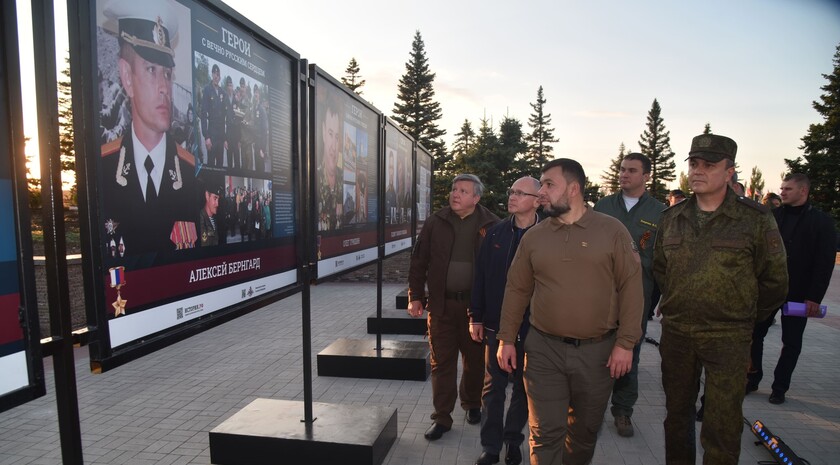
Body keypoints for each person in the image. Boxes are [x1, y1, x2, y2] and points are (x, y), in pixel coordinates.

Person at [497, 159, 644, 465]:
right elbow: (516, 289)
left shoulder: (612, 231)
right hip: (543, 351)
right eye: (541, 184)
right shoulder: (535, 236)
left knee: (584, 433)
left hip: (598, 353)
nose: (542, 192)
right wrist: (506, 338)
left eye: (549, 185)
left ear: (574, 189)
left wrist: (626, 343)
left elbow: (631, 288)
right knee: (544, 433)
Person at [653, 134, 788, 465]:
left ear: (729, 172)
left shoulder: (755, 219)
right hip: (678, 333)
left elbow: (775, 279)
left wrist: (744, 316)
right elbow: (660, 269)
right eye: (694, 163)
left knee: (722, 423)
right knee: (676, 417)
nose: (698, 171)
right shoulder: (672, 217)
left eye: (709, 165)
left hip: (728, 335)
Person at [100, 1, 197, 257]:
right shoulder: (103, 170)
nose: (164, 87)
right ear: (127, 76)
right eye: (151, 70)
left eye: (167, 74)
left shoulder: (190, 172)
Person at [407, 174, 500, 441]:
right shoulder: (436, 222)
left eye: (463, 191)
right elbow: (419, 261)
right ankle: (441, 417)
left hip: (476, 310)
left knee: (474, 362)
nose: (455, 194)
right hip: (441, 306)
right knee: (441, 363)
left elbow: (497, 269)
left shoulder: (491, 224)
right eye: (454, 189)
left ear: (476, 198)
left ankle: (471, 403)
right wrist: (415, 296)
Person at [468, 176, 541, 465]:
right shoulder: (495, 233)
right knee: (493, 388)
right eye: (512, 191)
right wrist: (475, 317)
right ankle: (491, 446)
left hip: (535, 327)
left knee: (524, 388)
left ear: (537, 201)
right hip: (496, 326)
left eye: (521, 193)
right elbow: (480, 276)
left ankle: (513, 441)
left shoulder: (548, 234)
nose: (512, 196)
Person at [593, 152, 666, 438]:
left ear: (646, 176)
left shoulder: (660, 212)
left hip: (637, 295)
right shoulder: (603, 206)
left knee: (629, 354)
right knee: (595, 353)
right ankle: (591, 408)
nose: (624, 174)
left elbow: (664, 260)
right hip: (599, 294)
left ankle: (623, 410)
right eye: (622, 169)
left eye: (632, 170)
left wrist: (665, 297)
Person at [748, 173, 836, 404]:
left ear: (803, 191)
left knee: (792, 342)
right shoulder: (771, 217)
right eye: (782, 188)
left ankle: (780, 387)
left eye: (788, 189)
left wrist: (814, 297)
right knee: (754, 335)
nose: (782, 192)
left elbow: (824, 263)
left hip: (799, 294)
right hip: (767, 291)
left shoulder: (821, 222)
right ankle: (752, 377)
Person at [317, 93, 343, 231]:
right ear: (323, 132)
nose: (333, 146)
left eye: (337, 137)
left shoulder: (343, 179)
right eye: (330, 134)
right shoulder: (314, 181)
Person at [201, 64, 227, 167]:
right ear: (212, 75)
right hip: (211, 136)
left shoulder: (222, 92)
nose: (216, 77)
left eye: (218, 75)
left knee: (220, 166)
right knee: (211, 166)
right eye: (215, 74)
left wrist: (225, 138)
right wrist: (206, 137)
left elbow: (224, 116)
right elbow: (203, 114)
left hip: (220, 137)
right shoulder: (207, 90)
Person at [198, 175, 222, 246]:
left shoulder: (214, 218)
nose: (217, 204)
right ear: (207, 196)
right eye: (215, 198)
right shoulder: (201, 218)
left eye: (218, 199)